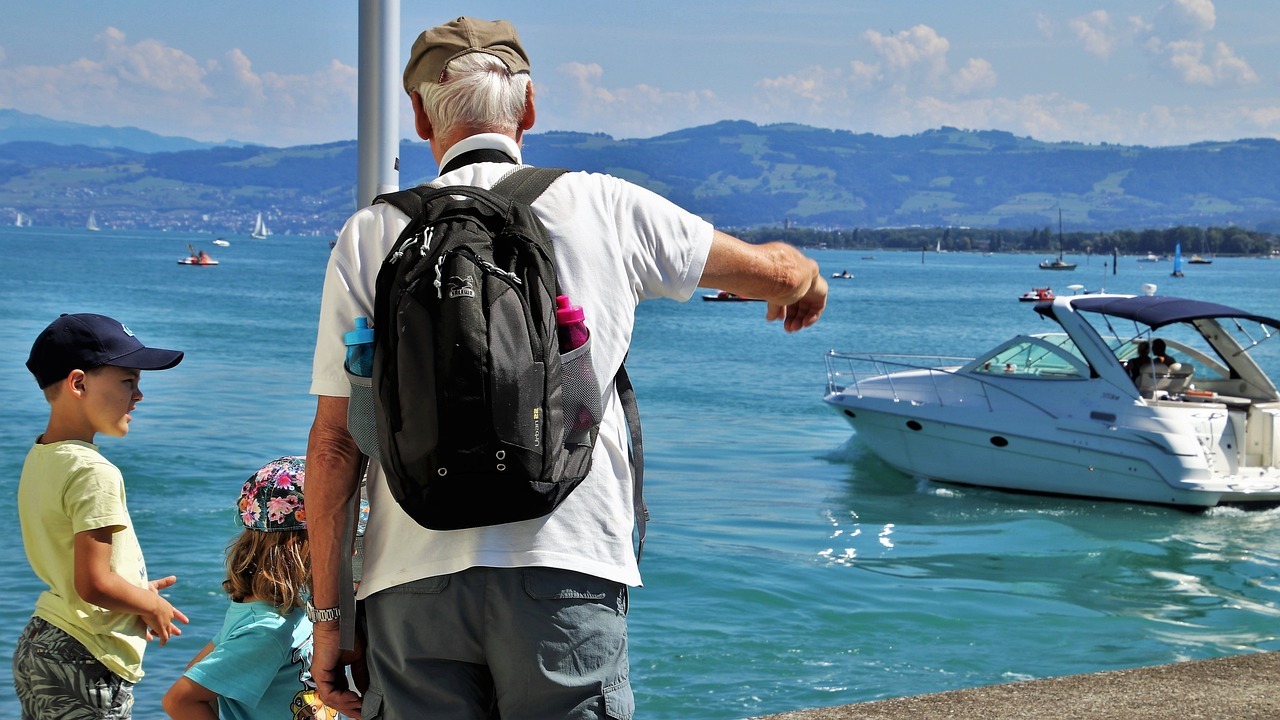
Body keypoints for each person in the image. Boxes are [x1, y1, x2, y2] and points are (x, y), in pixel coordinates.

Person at [305, 17, 828, 719]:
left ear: (422, 116)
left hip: (409, 580)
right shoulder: (604, 204)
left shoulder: (373, 231)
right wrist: (804, 279)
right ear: (527, 108)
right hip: (566, 563)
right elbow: (770, 271)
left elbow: (338, 444)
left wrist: (331, 619)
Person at [15, 312, 187, 719]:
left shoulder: (42, 456)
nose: (138, 395)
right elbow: (93, 584)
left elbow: (73, 565)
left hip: (43, 641)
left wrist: (134, 589)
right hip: (85, 656)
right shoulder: (94, 471)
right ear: (79, 383)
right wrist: (150, 603)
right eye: (129, 381)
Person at [163, 456, 339, 720]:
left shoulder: (278, 611)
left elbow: (198, 671)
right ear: (300, 543)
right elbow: (181, 700)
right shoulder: (267, 631)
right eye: (335, 533)